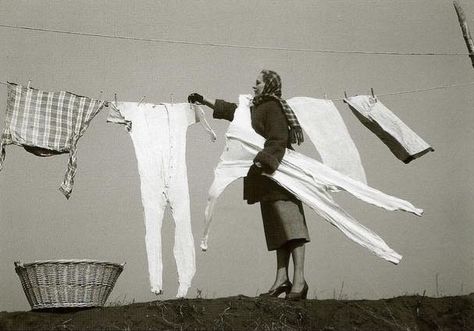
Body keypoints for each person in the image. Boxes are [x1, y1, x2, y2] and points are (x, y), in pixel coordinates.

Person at [188, 69, 310, 300]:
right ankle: (282, 279)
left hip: (281, 175)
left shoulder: (273, 107)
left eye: (258, 83)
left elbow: (278, 140)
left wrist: (262, 163)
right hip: (265, 177)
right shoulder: (255, 108)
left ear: (269, 86)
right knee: (277, 229)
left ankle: (300, 281)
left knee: (292, 228)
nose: (253, 86)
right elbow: (232, 112)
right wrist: (203, 100)